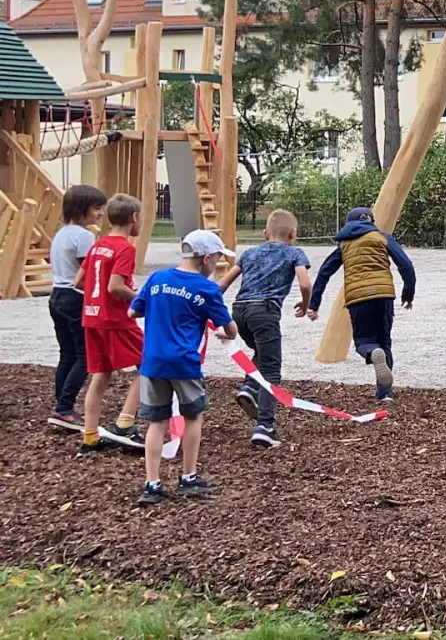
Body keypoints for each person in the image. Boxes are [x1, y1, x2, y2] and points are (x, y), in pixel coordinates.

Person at [131, 230, 238, 506]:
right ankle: (188, 477)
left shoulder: (157, 279)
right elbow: (229, 328)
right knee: (193, 416)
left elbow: (133, 311)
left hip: (152, 361)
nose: (217, 264)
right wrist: (228, 332)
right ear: (206, 258)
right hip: (184, 363)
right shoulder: (206, 288)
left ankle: (151, 483)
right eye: (217, 258)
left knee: (157, 422)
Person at [216, 209, 312, 448]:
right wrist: (306, 303)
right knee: (271, 368)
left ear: (265, 233)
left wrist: (214, 313)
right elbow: (305, 282)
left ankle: (249, 386)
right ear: (293, 234)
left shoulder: (250, 253)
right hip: (265, 311)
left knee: (262, 353)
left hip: (239, 311)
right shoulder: (294, 253)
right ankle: (265, 427)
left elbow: (222, 284)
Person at [308, 207, 416, 399]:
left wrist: (314, 305)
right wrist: (408, 294)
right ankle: (385, 393)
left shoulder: (344, 244)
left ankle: (371, 351)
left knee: (364, 341)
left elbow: (325, 272)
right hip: (384, 295)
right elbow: (405, 265)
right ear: (371, 222)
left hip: (358, 298)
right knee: (385, 341)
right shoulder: (382, 237)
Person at [78, 193, 146, 453]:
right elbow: (115, 286)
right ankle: (125, 423)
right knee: (149, 363)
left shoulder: (98, 244)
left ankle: (91, 436)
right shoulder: (126, 248)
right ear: (134, 218)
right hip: (114, 319)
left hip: (91, 316)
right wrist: (140, 298)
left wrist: (99, 296)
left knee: (101, 374)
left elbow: (80, 281)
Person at [47, 184, 107, 431]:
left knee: (67, 353)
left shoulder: (61, 233)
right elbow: (87, 273)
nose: (101, 213)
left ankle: (63, 404)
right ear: (82, 208)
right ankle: (64, 407)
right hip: (75, 298)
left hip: (57, 296)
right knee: (85, 356)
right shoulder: (84, 236)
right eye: (97, 208)